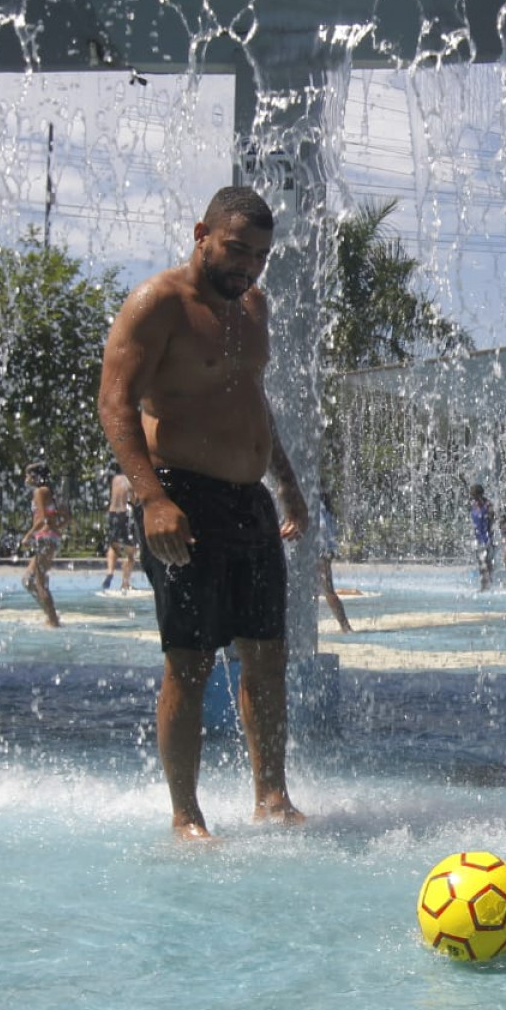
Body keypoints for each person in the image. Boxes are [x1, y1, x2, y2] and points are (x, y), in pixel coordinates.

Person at [98, 184, 310, 837]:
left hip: (249, 500)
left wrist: (288, 484)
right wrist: (152, 498)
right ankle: (185, 814)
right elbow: (115, 402)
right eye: (236, 249)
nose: (247, 266)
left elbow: (253, 404)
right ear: (202, 234)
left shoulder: (254, 307)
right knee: (189, 662)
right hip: (180, 497)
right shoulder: (157, 304)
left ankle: (271, 794)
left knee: (267, 654)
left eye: (260, 256)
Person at [19, 462, 64, 627]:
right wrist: (54, 529)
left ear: (35, 476)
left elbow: (42, 519)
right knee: (28, 580)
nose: (26, 479)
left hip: (44, 538)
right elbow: (66, 516)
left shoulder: (39, 491)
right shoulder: (51, 491)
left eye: (27, 475)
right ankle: (50, 615)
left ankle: (53, 621)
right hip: (51, 537)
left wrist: (28, 536)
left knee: (39, 582)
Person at [317, 487, 353, 633]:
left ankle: (345, 626)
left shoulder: (317, 506)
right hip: (324, 552)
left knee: (327, 591)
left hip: (319, 552)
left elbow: (322, 528)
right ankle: (345, 626)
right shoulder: (325, 509)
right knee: (328, 591)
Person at [103, 460, 138, 591]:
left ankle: (110, 572)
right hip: (125, 515)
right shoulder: (130, 479)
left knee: (114, 545)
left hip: (113, 514)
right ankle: (125, 583)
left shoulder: (115, 479)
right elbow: (133, 498)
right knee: (130, 552)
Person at [467, 483, 494, 591]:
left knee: (485, 562)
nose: (473, 498)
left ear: (480, 495)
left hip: (486, 537)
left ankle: (486, 585)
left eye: (474, 496)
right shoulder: (474, 504)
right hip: (477, 537)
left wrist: (491, 536)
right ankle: (485, 584)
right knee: (480, 562)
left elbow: (493, 521)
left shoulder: (488, 505)